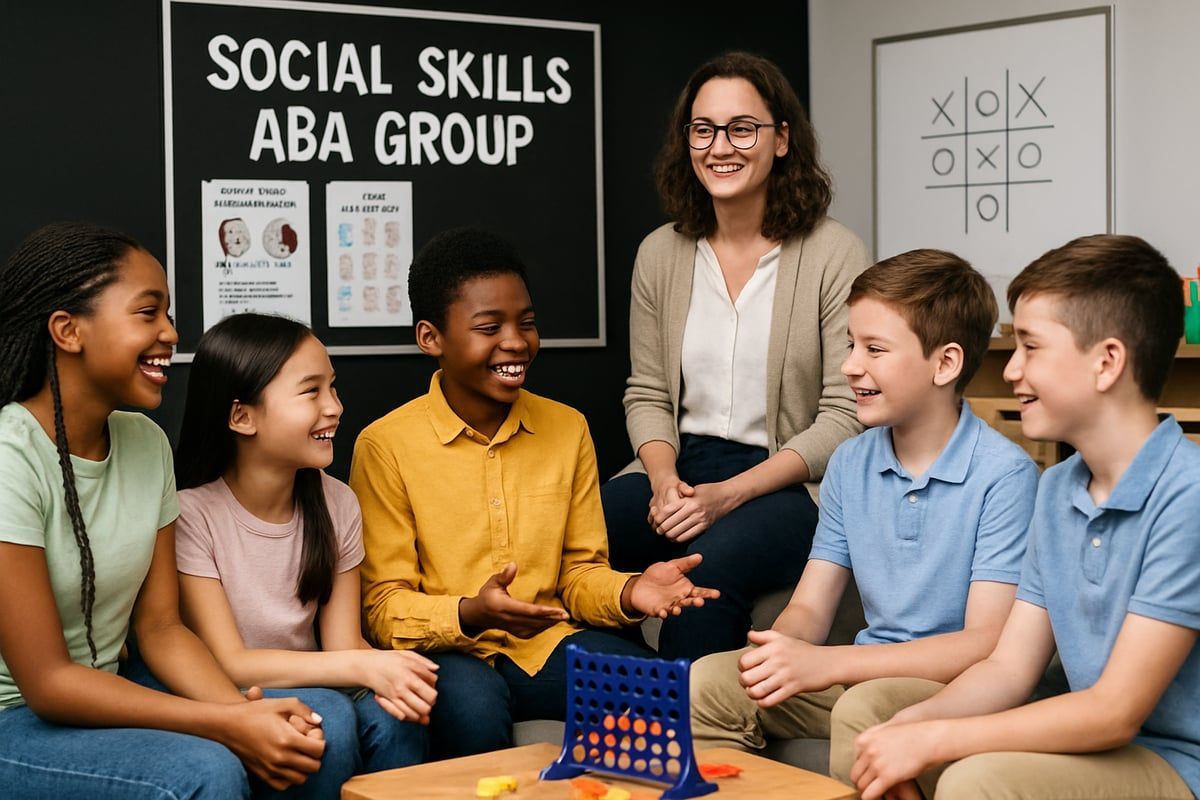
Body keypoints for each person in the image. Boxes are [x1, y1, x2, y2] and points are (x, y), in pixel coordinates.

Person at [841, 235, 1200, 800]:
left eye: (1031, 347)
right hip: (1096, 747)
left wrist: (937, 741)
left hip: (1178, 762)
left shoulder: (1189, 494)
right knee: (883, 734)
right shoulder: (1057, 488)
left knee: (974, 780)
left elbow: (1114, 712)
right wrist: (913, 726)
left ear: (1107, 362)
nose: (1011, 371)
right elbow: (1009, 668)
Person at [349, 228, 719, 758]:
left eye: (526, 323)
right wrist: (472, 611)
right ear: (431, 338)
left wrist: (632, 590)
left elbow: (578, 575)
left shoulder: (567, 429)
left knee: (660, 689)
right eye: (488, 327)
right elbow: (383, 607)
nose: (517, 342)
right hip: (449, 651)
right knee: (475, 707)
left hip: (543, 645)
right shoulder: (385, 446)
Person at [0, 222, 325, 798]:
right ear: (67, 330)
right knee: (206, 770)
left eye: (168, 315)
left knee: (315, 732)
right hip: (17, 718)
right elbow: (48, 683)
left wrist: (246, 717)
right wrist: (227, 724)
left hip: (107, 689)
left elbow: (161, 628)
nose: (171, 333)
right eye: (147, 313)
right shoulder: (10, 458)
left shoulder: (146, 444)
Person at [689, 250, 1038, 766]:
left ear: (945, 363)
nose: (851, 367)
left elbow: (983, 645)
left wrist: (828, 664)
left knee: (865, 705)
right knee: (709, 682)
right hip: (860, 673)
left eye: (875, 349)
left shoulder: (1004, 475)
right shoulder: (850, 462)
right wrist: (780, 651)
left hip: (951, 688)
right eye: (852, 346)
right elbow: (811, 605)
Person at [601, 51, 870, 660]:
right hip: (681, 462)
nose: (720, 146)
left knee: (713, 563)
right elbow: (647, 392)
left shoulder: (834, 253)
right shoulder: (660, 254)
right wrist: (666, 481)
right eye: (703, 129)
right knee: (585, 533)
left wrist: (730, 495)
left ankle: (687, 728)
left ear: (781, 139)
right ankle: (610, 703)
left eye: (741, 127)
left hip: (790, 478)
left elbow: (845, 412)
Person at [173, 313, 436, 795]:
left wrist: (397, 673)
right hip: (230, 691)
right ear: (241, 416)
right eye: (311, 391)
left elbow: (342, 643)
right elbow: (230, 662)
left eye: (332, 387)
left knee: (399, 713)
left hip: (316, 676)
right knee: (328, 718)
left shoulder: (337, 502)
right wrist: (362, 666)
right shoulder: (192, 514)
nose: (334, 406)